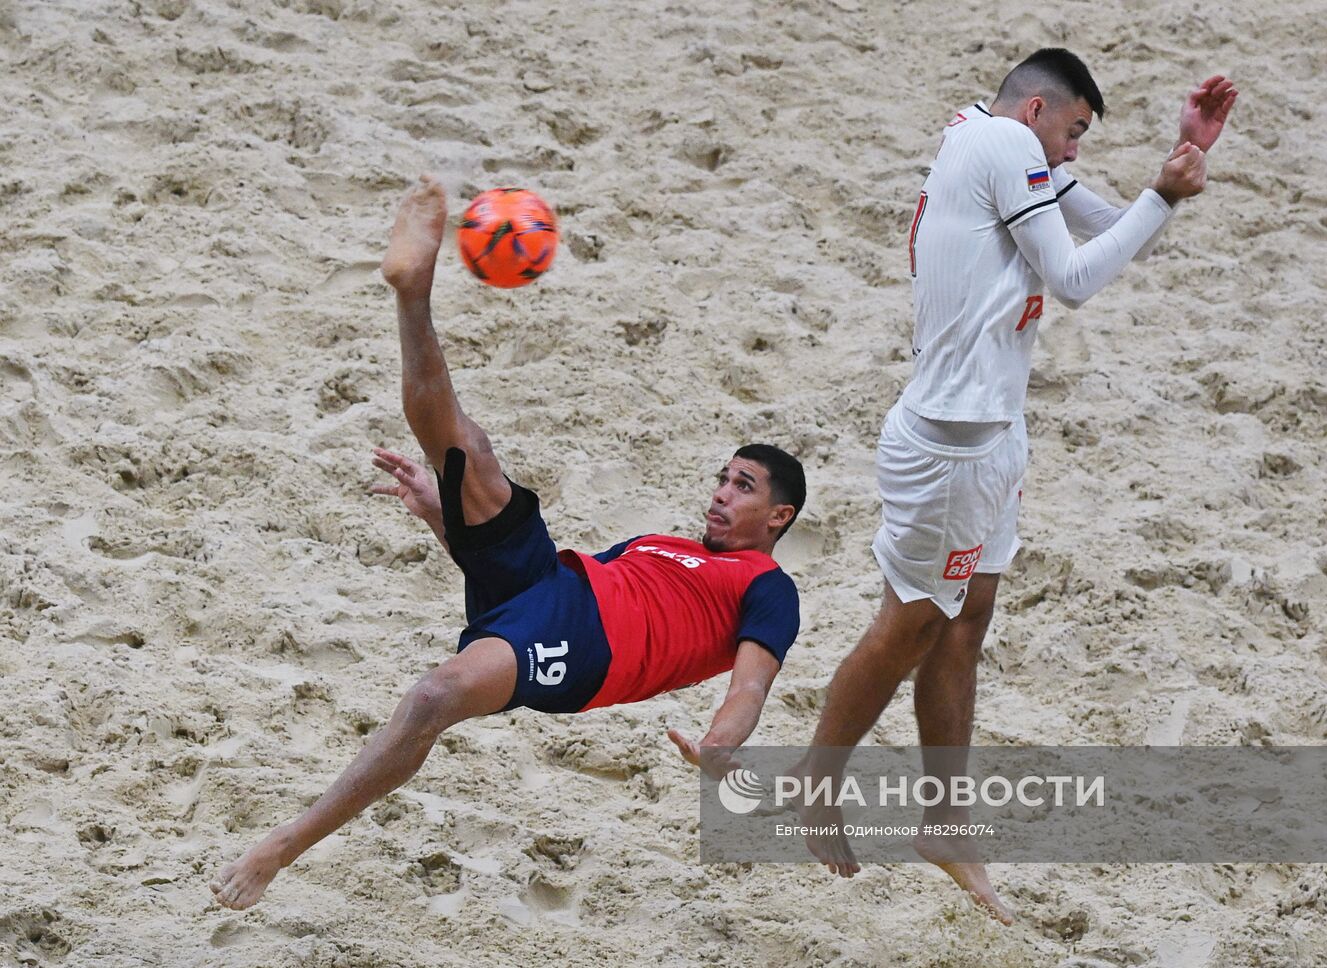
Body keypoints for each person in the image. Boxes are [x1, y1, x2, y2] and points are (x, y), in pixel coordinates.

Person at [211, 175, 806, 911]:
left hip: (586, 647)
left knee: (434, 696)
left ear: (779, 518)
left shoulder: (767, 587)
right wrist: (446, 519)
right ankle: (412, 290)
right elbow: (505, 598)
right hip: (553, 582)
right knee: (467, 452)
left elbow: (750, 683)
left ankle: (280, 848)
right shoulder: (659, 544)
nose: (720, 492)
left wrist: (722, 743)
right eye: (723, 477)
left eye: (743, 487)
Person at [797, 49, 1237, 923]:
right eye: (1073, 132)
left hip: (994, 434)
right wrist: (1163, 197)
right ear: (1036, 111)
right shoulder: (1001, 144)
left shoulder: (992, 137)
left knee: (967, 623)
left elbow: (1114, 227)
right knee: (912, 625)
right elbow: (1075, 279)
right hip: (950, 444)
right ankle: (816, 784)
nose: (1074, 152)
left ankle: (947, 822)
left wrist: (1179, 167)